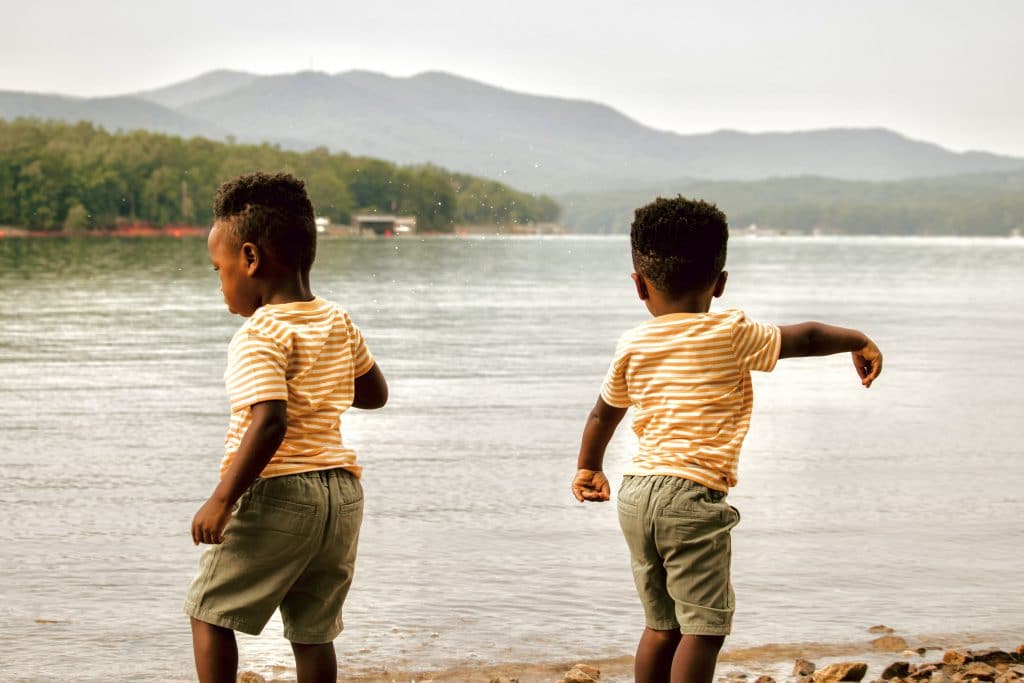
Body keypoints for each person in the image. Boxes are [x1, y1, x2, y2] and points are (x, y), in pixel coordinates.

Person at [571, 196, 882, 683]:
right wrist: (857, 339)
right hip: (690, 495)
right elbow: (804, 337)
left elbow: (602, 412)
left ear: (638, 285)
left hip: (636, 492)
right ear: (719, 284)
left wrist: (588, 467)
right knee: (705, 628)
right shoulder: (730, 331)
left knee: (661, 625)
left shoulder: (633, 344)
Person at [184, 172, 388, 683]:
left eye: (219, 270)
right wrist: (321, 382)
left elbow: (269, 422)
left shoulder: (259, 333)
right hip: (341, 496)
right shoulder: (337, 321)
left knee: (209, 610)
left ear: (250, 259)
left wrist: (222, 499)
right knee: (313, 630)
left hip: (278, 492)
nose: (221, 284)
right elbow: (374, 393)